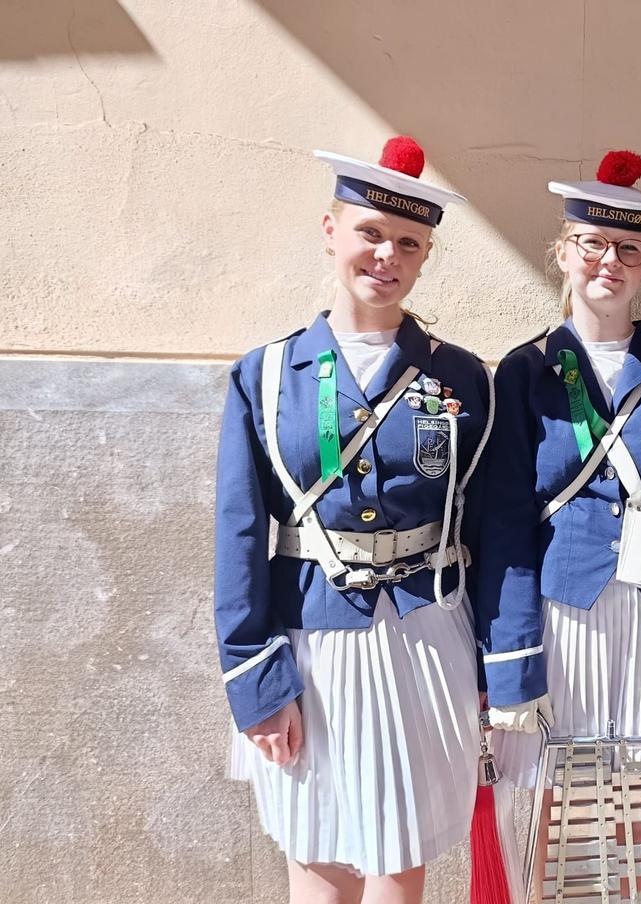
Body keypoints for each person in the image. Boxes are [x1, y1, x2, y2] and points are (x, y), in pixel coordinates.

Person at [213, 135, 493, 904]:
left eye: (409, 242)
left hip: (425, 631)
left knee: (400, 852)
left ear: (425, 256)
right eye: (370, 232)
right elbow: (239, 537)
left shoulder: (462, 375)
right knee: (317, 848)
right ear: (331, 229)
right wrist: (256, 682)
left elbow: (484, 528)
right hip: (310, 641)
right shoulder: (265, 374)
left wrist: (500, 667)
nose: (386, 255)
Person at [475, 151, 641, 891]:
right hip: (564, 617)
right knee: (567, 815)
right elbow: (505, 526)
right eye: (592, 244)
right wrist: (513, 663)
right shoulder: (523, 372)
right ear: (563, 251)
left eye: (629, 249)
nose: (608, 263)